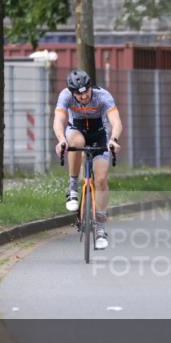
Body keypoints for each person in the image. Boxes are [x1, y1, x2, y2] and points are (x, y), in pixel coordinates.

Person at [53, 69, 123, 251]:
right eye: (79, 93)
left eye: (86, 92)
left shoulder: (102, 96)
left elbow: (116, 121)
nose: (83, 96)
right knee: (75, 142)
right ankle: (73, 189)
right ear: (72, 92)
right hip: (76, 130)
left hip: (100, 134)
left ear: (90, 87)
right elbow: (58, 120)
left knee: (100, 180)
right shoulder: (65, 96)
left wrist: (114, 140)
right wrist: (61, 139)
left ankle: (100, 229)